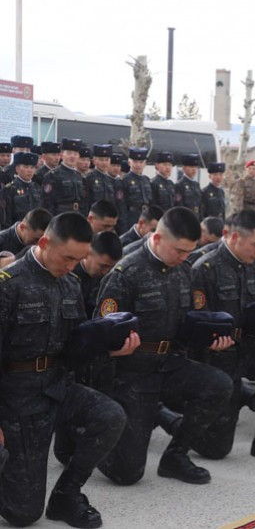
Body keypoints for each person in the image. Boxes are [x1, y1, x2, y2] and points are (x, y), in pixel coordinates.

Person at [0, 212, 133, 528]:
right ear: (45, 242)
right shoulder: (9, 286)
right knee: (23, 514)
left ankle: (66, 495)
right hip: (16, 398)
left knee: (110, 415)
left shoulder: (71, 285)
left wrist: (109, 349)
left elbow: (74, 348)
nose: (73, 266)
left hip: (56, 387)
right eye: (68, 258)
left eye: (79, 259)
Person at [94, 207, 234, 486]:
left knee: (219, 384)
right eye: (179, 251)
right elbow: (100, 334)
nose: (185, 257)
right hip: (132, 374)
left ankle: (175, 455)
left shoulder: (184, 270)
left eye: (189, 252)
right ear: (157, 238)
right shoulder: (126, 273)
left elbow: (186, 324)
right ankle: (90, 441)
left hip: (170, 364)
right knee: (127, 474)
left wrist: (208, 341)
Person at [164, 210, 255, 462]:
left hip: (247, 347)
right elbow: (193, 326)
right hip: (216, 358)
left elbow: (253, 314)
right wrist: (209, 344)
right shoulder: (204, 269)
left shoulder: (252, 266)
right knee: (217, 449)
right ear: (232, 237)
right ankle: (165, 415)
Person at [42, 138, 86, 215]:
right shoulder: (53, 175)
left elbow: (83, 201)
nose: (72, 156)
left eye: (75, 154)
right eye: (69, 153)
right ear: (62, 155)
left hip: (78, 215)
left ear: (78, 156)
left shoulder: (79, 176)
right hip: (60, 216)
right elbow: (47, 203)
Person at [115, 147, 153, 234]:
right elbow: (121, 207)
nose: (138, 165)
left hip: (146, 218)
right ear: (129, 162)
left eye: (141, 162)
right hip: (131, 219)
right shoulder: (123, 180)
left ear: (145, 163)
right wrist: (124, 229)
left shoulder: (146, 180)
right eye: (135, 162)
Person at [1, 151, 41, 229]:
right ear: (17, 169)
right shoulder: (9, 189)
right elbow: (6, 218)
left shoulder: (37, 188)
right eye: (26, 167)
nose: (29, 170)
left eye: (32, 167)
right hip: (16, 230)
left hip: (34, 229)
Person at [175, 154, 203, 220]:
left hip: (197, 218)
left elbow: (200, 205)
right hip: (186, 219)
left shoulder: (196, 185)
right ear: (184, 168)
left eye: (195, 167)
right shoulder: (179, 185)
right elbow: (179, 205)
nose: (194, 169)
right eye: (191, 167)